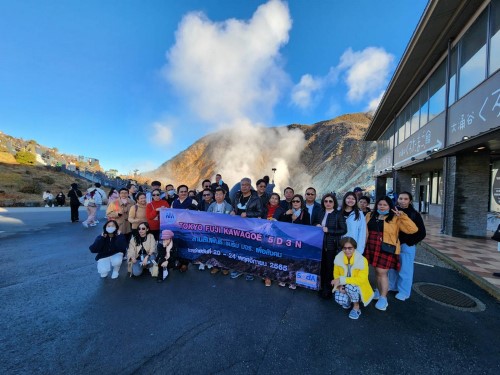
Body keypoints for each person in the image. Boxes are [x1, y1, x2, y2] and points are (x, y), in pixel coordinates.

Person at [364, 196, 418, 311]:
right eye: (380, 204)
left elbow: (412, 229)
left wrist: (402, 216)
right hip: (371, 246)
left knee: (381, 272)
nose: (382, 207)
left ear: (390, 206)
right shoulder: (369, 215)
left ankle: (384, 298)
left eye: (385, 205)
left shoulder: (395, 217)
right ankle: (379, 292)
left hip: (386, 247)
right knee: (376, 271)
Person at [388, 191, 426, 301]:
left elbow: (422, 233)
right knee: (392, 268)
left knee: (405, 269)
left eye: (405, 199)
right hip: (393, 245)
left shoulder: (414, 214)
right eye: (400, 198)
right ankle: (392, 286)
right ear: (397, 199)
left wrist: (410, 242)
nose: (402, 201)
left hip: (406, 246)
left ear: (410, 200)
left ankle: (404, 292)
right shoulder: (393, 211)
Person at [331, 237, 374, 320]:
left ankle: (356, 307)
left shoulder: (362, 260)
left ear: (354, 248)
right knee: (339, 298)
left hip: (358, 287)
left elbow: (362, 279)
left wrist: (341, 280)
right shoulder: (338, 258)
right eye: (344, 248)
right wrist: (339, 286)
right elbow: (336, 274)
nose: (347, 250)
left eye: (350, 248)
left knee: (350, 287)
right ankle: (349, 301)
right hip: (344, 284)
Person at [314, 193, 347, 299]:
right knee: (321, 266)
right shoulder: (321, 212)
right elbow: (315, 223)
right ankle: (321, 286)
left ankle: (328, 288)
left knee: (329, 267)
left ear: (334, 202)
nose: (328, 203)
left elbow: (344, 230)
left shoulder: (338, 214)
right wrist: (316, 226)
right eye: (326, 201)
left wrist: (329, 230)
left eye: (330, 201)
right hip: (320, 244)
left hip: (331, 245)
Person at [231, 177, 262, 281]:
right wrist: (233, 211)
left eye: (246, 185)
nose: (244, 187)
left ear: (250, 186)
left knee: (249, 249)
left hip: (250, 229)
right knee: (238, 248)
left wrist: (247, 214)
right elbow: (234, 207)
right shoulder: (237, 195)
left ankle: (250, 271)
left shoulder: (256, 198)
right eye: (242, 185)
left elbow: (260, 212)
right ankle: (239, 269)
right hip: (237, 227)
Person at [278, 194, 311, 289]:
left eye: (297, 201)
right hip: (287, 240)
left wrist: (295, 220)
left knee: (295, 261)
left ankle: (293, 281)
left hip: (298, 241)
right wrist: (285, 215)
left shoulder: (306, 214)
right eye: (293, 201)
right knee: (286, 260)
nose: (295, 203)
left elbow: (306, 228)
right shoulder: (288, 212)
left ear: (301, 203)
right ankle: (284, 278)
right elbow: (281, 224)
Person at [207, 188, 234, 276]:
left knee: (225, 250)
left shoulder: (229, 206)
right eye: (216, 194)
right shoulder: (212, 205)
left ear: (224, 195)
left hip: (225, 232)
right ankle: (216, 266)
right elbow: (207, 217)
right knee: (215, 250)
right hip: (214, 232)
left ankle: (225, 267)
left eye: (220, 194)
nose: (218, 196)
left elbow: (231, 220)